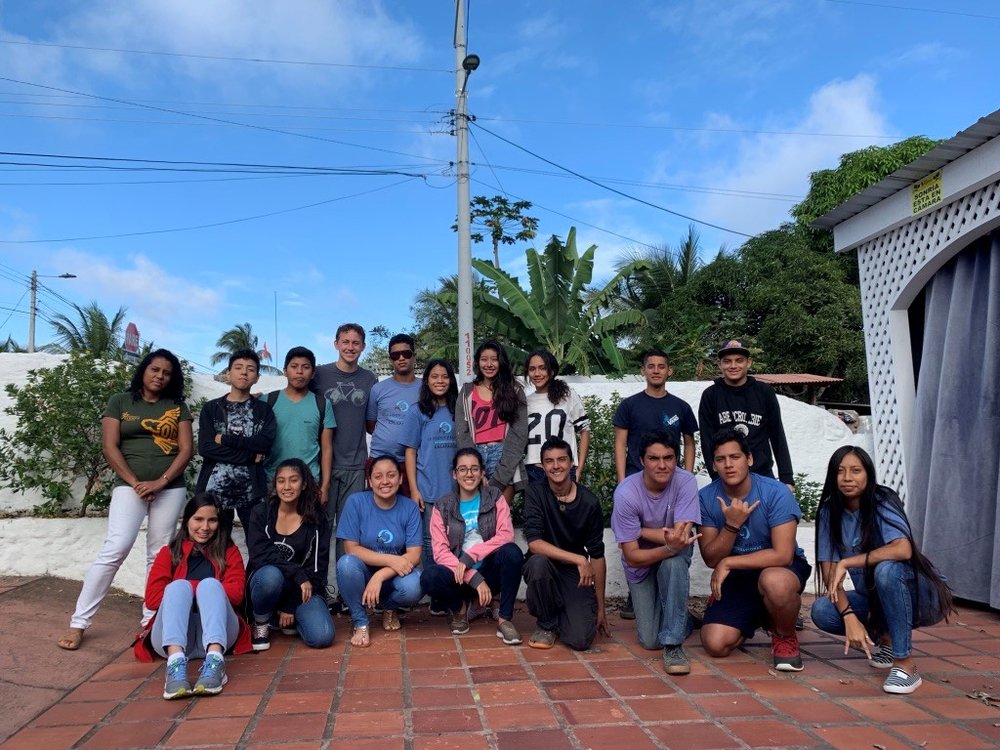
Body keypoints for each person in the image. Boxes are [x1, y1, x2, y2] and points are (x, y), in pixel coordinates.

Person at [58, 349, 194, 651]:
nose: (160, 376)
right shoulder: (121, 401)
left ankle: (150, 621)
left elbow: (185, 450)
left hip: (169, 488)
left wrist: (160, 482)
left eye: (167, 372)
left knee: (158, 554)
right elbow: (110, 446)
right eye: (154, 370)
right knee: (115, 547)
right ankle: (79, 623)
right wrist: (136, 483)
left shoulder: (177, 406)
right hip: (129, 487)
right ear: (144, 370)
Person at [810, 446, 953, 694]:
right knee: (822, 610)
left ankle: (905, 665)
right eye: (840, 471)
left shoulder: (882, 500)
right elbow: (830, 575)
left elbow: (902, 549)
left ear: (868, 474)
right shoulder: (829, 512)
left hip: (924, 598)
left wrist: (847, 562)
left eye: (856, 471)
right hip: (877, 600)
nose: (847, 478)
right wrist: (848, 617)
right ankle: (886, 640)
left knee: (886, 570)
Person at [697, 428, 811, 672]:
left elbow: (783, 554)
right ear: (714, 465)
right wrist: (731, 525)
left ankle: (784, 635)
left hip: (780, 568)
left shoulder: (776, 492)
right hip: (740, 576)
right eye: (720, 459)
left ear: (749, 459)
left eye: (735, 457)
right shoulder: (706, 498)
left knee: (775, 582)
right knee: (715, 644)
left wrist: (728, 563)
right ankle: (762, 612)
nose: (728, 465)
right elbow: (710, 558)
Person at [134, 494, 251, 699]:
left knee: (210, 585)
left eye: (212, 520)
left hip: (219, 635)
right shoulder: (169, 552)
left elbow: (236, 595)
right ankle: (176, 666)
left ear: (219, 522)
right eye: (198, 519)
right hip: (174, 638)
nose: (205, 527)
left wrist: (203, 587)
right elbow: (152, 599)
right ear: (187, 519)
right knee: (178, 587)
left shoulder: (229, 551)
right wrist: (187, 588)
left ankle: (215, 663)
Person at [610, 431, 701, 674]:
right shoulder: (626, 493)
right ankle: (683, 619)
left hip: (673, 557)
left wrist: (639, 531)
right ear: (641, 460)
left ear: (676, 459)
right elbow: (632, 556)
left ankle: (673, 644)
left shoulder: (686, 481)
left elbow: (681, 538)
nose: (662, 465)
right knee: (650, 641)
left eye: (669, 458)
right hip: (641, 563)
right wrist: (668, 544)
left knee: (673, 564)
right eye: (653, 458)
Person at [420, 448, 525, 645]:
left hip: (489, 572)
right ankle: (460, 610)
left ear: (483, 472)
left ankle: (504, 620)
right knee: (429, 577)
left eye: (474, 469)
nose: (469, 474)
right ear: (454, 473)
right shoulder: (442, 505)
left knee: (513, 553)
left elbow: (506, 535)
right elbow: (441, 552)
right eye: (463, 469)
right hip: (459, 577)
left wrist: (471, 556)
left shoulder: (494, 497)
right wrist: (473, 577)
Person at [522, 437, 609, 651]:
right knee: (537, 563)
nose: (556, 466)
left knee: (580, 640)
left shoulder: (589, 502)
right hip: (546, 566)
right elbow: (534, 544)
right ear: (542, 466)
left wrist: (601, 608)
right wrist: (579, 558)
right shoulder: (535, 493)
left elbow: (597, 555)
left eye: (562, 459)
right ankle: (546, 623)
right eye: (549, 461)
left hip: (574, 575)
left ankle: (564, 610)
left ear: (571, 462)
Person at [312, 323, 378, 605]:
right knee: (321, 529)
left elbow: (374, 422)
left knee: (348, 534)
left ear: (363, 347)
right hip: (324, 466)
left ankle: (343, 593)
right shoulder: (320, 374)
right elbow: (296, 394)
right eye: (345, 342)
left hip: (355, 466)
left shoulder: (370, 379)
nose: (350, 347)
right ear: (335, 343)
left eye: (356, 343)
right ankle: (319, 590)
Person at [245, 458, 335, 652]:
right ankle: (261, 620)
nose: (286, 486)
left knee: (322, 636)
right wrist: (296, 573)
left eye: (293, 480)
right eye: (281, 481)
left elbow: (318, 569)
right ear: (275, 484)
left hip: (303, 589)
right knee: (270, 575)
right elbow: (260, 556)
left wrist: (291, 605)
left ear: (303, 485)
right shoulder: (261, 513)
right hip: (268, 583)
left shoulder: (317, 517)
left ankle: (286, 618)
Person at [336, 455, 424, 647]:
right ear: (369, 481)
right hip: (364, 571)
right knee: (346, 564)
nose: (385, 481)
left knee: (415, 584)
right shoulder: (356, 502)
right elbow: (351, 548)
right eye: (378, 476)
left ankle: (389, 607)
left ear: (400, 479)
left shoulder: (409, 507)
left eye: (391, 475)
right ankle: (360, 621)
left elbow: (414, 554)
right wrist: (391, 560)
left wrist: (381, 575)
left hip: (393, 577)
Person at [195, 349, 276, 531]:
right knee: (214, 546)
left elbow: (264, 443)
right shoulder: (212, 408)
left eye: (250, 369)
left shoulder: (263, 410)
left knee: (258, 544)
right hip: (214, 490)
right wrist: (249, 457)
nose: (244, 372)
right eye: (238, 367)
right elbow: (206, 448)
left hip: (252, 491)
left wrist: (225, 439)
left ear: (257, 377)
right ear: (228, 374)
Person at [698, 339, 794, 490]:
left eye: (739, 360)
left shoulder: (764, 392)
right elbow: (707, 440)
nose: (733, 366)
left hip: (762, 474)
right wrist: (715, 475)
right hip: (726, 476)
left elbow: (777, 434)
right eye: (727, 361)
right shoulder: (711, 395)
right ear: (720, 364)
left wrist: (787, 477)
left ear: (748, 362)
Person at [399, 358, 459, 569]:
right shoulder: (417, 411)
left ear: (451, 380)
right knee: (429, 540)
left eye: (445, 376)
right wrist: (414, 490)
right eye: (434, 376)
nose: (440, 381)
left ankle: (455, 586)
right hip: (428, 491)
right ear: (426, 381)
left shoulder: (459, 409)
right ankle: (432, 587)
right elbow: (410, 452)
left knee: (456, 540)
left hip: (458, 491)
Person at [455, 340, 527, 502]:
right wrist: (473, 467)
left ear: (501, 361)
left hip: (504, 455)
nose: (489, 364)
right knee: (476, 515)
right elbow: (462, 432)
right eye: (484, 359)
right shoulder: (467, 392)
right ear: (477, 362)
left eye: (494, 359)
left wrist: (501, 476)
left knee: (501, 515)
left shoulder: (514, 390)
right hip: (474, 455)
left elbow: (518, 434)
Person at [262, 346, 335, 501]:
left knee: (307, 524)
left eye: (306, 367)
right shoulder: (268, 401)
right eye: (294, 366)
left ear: (313, 373)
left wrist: (324, 486)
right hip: (273, 480)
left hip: (309, 482)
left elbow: (327, 448)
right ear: (285, 371)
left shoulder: (322, 404)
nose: (299, 372)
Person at [614, 350, 698, 479]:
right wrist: (622, 481)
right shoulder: (628, 405)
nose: (656, 371)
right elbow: (620, 444)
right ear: (643, 371)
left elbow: (689, 444)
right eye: (651, 366)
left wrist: (687, 477)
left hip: (671, 478)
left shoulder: (681, 407)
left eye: (661, 366)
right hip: (636, 477)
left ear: (669, 371)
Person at [366, 333, 421, 495]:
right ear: (390, 359)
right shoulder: (378, 389)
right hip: (379, 460)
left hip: (412, 463)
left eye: (406, 353)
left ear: (414, 357)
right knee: (378, 513)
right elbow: (371, 425)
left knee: (412, 510)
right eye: (396, 355)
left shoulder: (425, 389)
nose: (401, 358)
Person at [524, 349, 590, 484]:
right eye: (532, 369)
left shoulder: (568, 396)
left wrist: (579, 468)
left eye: (542, 368)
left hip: (563, 469)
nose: (537, 373)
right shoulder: (524, 402)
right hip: (533, 471)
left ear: (552, 371)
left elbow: (585, 430)